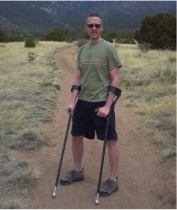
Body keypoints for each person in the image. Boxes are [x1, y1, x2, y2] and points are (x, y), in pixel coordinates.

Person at [60, 13, 122, 197]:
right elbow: (78, 78)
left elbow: (116, 78)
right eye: (90, 25)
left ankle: (112, 180)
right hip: (83, 101)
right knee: (76, 136)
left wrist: (108, 106)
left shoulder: (109, 48)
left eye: (97, 25)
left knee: (110, 140)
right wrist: (72, 102)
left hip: (102, 102)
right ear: (86, 28)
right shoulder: (82, 50)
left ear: (102, 28)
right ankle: (77, 171)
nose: (94, 28)